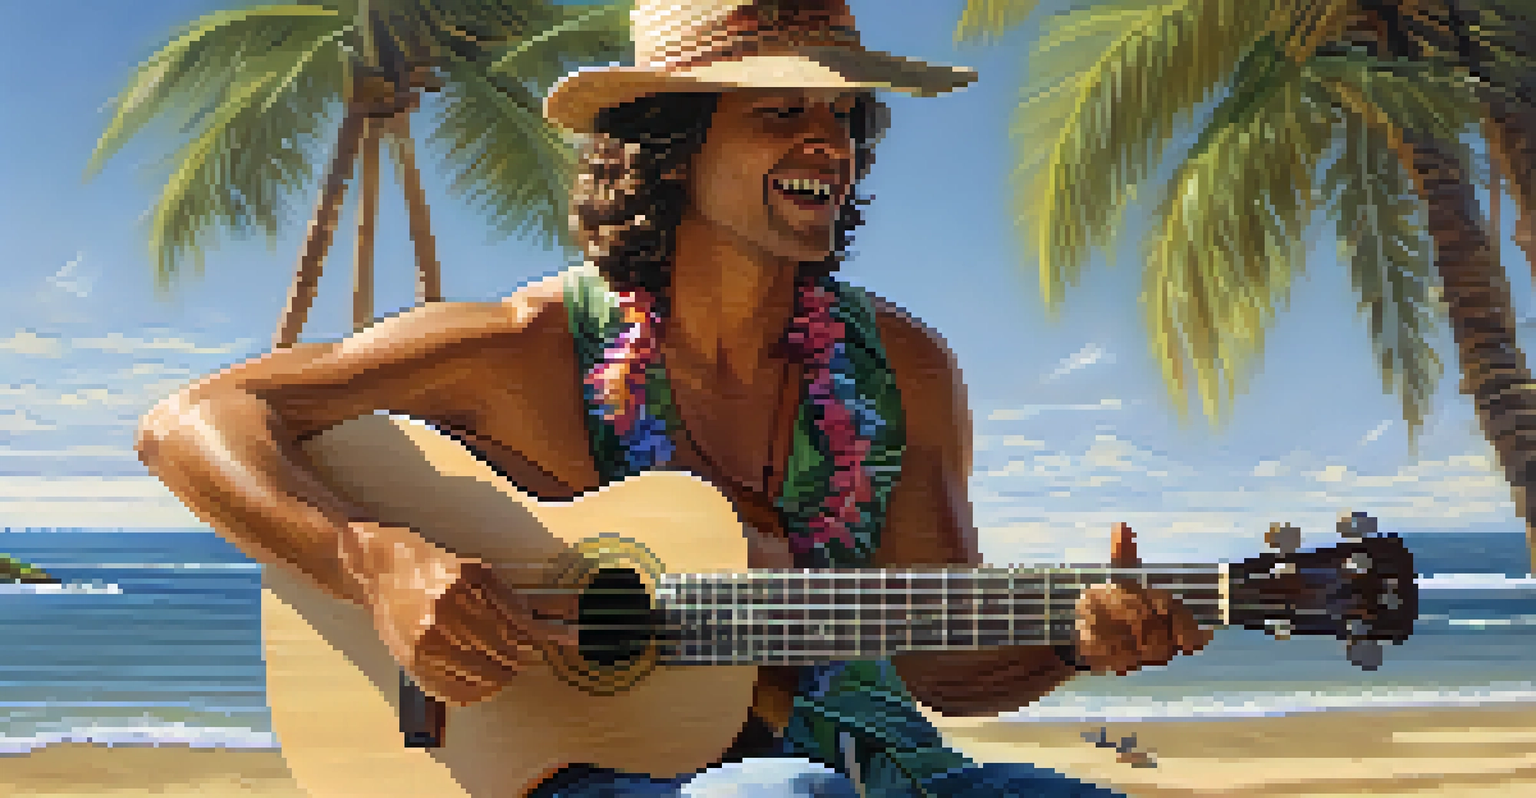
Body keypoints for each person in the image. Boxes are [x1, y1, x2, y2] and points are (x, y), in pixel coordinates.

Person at [135, 1, 1211, 796]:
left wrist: (1072, 640)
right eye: (779, 112)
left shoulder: (906, 371)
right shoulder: (531, 346)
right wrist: (371, 565)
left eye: (841, 115)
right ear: (672, 144)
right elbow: (195, 422)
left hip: (881, 765)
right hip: (592, 773)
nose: (827, 144)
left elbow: (940, 662)